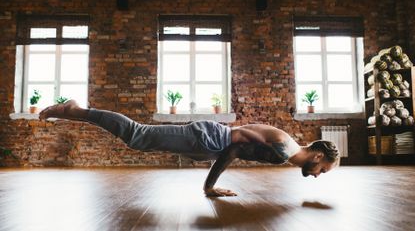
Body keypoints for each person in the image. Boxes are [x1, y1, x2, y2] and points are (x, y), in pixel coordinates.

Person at [39, 100, 340, 197]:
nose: (317, 175)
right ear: (318, 155)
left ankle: (78, 111)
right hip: (209, 139)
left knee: (138, 138)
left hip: (209, 140)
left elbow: (239, 141)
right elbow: (236, 144)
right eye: (322, 170)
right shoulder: (282, 151)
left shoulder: (285, 147)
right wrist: (210, 186)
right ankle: (76, 110)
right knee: (137, 135)